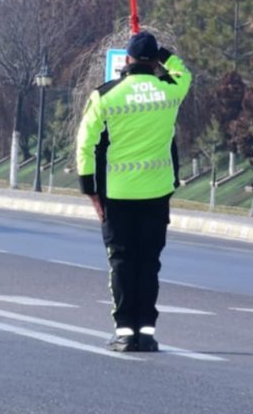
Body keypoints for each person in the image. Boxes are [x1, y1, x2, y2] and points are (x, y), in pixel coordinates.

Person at [76, 31, 193, 353]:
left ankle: (125, 332)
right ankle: (147, 332)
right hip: (157, 192)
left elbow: (85, 145)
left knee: (122, 262)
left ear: (125, 60)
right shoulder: (170, 90)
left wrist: (90, 190)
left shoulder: (105, 95)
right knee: (149, 263)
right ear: (154, 62)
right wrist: (162, 53)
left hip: (118, 193)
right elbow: (182, 70)